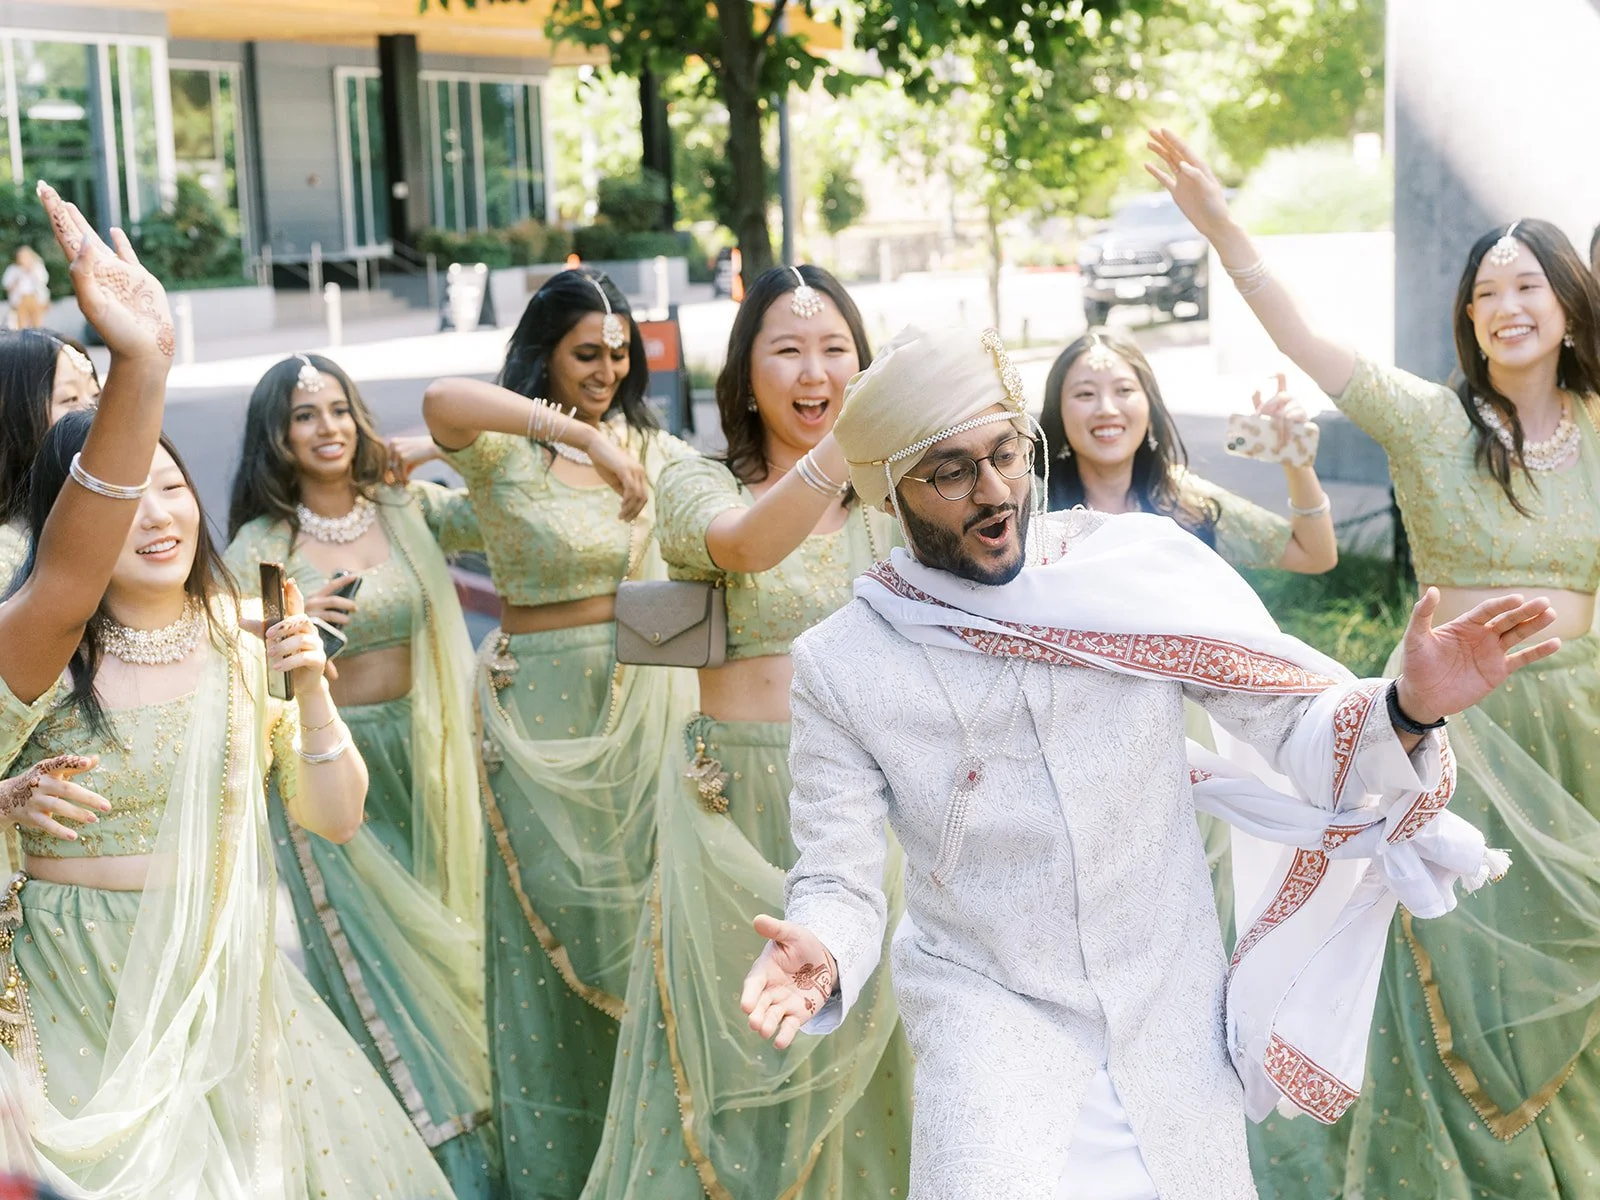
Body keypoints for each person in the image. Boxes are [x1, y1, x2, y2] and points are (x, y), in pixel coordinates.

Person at [738, 322, 1560, 1200]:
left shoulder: (1123, 577)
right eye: (949, 470)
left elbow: (1294, 723)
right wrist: (822, 944)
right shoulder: (844, 663)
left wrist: (1408, 705)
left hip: (1165, 1008)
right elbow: (842, 874)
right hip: (991, 1021)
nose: (994, 491)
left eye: (1007, 453)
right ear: (888, 494)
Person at [1147, 128, 1600, 1198]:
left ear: (1569, 307)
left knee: (1580, 969)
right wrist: (1221, 226)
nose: (1505, 304)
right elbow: (1301, 338)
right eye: (1485, 290)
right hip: (1470, 739)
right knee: (1464, 962)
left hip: (1583, 729)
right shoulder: (1426, 422)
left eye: (1527, 283)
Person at [0, 187, 450, 1195]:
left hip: (231, 989)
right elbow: (78, 552)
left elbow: (332, 818)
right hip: (81, 994)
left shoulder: (232, 642)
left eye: (173, 487)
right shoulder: (39, 644)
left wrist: (311, 684)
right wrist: (142, 362)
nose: (156, 513)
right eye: (128, 497)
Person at [582, 265, 912, 1200]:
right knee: (732, 1060)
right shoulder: (698, 478)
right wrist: (840, 454)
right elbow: (739, 546)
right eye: (789, 349)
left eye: (836, 350)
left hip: (874, 810)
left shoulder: (897, 496)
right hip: (739, 802)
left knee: (866, 1052)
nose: (816, 370)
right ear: (746, 371)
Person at [422, 267, 695, 1196]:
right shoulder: (507, 449)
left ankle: (656, 1162)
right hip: (536, 712)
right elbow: (438, 401)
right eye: (588, 354)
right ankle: (560, 1173)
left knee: (651, 923)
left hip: (644, 704)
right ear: (546, 352)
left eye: (621, 355)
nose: (608, 371)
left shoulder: (654, 450)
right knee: (552, 931)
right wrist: (577, 436)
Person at [225, 353, 495, 1196]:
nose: (328, 427)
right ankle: (429, 1167)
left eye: (339, 409)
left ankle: (496, 1134)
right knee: (380, 968)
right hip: (332, 774)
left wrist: (419, 451)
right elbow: (233, 677)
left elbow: (504, 519)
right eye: (305, 415)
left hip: (433, 762)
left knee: (456, 950)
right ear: (276, 436)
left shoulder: (405, 508)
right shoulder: (262, 550)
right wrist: (278, 644)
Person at [1040, 328, 1337, 574]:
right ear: (1059, 414)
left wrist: (1295, 459)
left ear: (1150, 408)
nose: (1107, 408)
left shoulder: (1187, 502)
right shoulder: (1034, 507)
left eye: (1124, 390)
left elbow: (1314, 555)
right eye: (1085, 394)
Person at [0, 331, 100, 579]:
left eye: (96, 395)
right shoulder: (7, 553)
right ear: (15, 418)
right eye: (70, 398)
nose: (94, 412)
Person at [2, 248, 49, 331]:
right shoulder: (13, 269)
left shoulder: (37, 267)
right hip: (20, 299)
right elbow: (7, 286)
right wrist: (18, 278)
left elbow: (43, 281)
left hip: (35, 298)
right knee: (21, 324)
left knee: (37, 324)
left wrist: (32, 271)